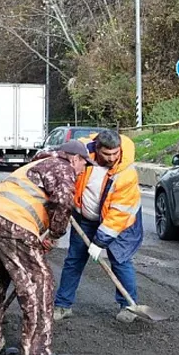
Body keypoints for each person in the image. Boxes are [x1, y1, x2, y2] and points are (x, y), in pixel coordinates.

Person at [0, 140, 92, 355]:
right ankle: (37, 352)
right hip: (12, 222)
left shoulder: (37, 165)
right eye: (83, 165)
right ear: (75, 158)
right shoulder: (62, 167)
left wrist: (44, 232)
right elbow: (64, 201)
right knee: (39, 282)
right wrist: (54, 234)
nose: (82, 170)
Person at [53, 129, 144, 323]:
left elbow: (118, 214)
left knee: (120, 260)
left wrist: (100, 242)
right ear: (97, 148)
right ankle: (63, 305)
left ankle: (128, 306)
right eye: (106, 154)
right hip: (84, 218)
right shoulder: (82, 155)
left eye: (115, 153)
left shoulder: (126, 173)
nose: (111, 158)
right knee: (74, 260)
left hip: (119, 222)